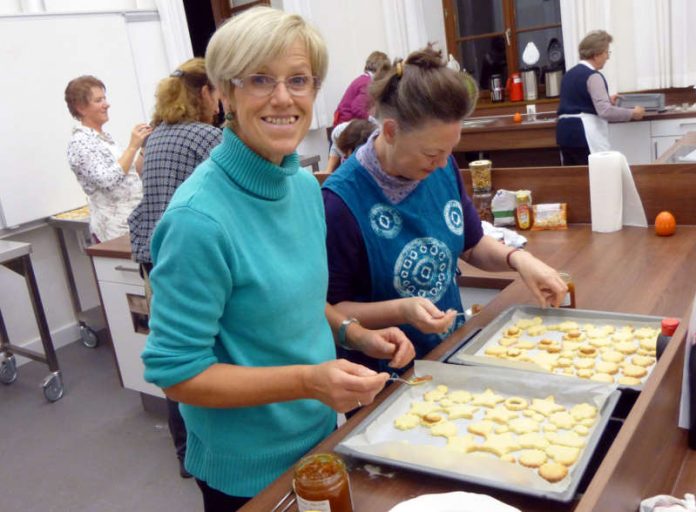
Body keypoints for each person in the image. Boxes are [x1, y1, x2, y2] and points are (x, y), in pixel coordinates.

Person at [140, 7, 414, 511]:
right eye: (260, 79)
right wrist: (310, 379)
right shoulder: (198, 220)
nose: (283, 98)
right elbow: (176, 372)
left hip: (319, 440)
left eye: (299, 80)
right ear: (224, 92)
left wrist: (354, 334)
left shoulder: (304, 189)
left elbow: (298, 307)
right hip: (246, 473)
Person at [322, 45, 568, 373]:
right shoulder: (341, 204)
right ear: (391, 131)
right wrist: (402, 310)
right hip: (385, 379)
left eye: (449, 150)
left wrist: (518, 260)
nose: (441, 164)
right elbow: (334, 310)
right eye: (430, 154)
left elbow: (471, 242)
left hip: (450, 353)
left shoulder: (442, 166)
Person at [127, 57, 222, 479]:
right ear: (205, 92)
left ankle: (185, 452)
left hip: (151, 256)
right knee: (204, 357)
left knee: (173, 348)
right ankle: (212, 450)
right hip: (189, 259)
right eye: (219, 91)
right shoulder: (206, 136)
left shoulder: (157, 136)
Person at [65, 75, 151, 242]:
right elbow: (107, 180)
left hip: (135, 223)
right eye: (99, 100)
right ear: (81, 108)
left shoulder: (104, 137)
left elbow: (129, 174)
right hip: (115, 232)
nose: (107, 104)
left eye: (104, 98)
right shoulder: (80, 142)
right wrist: (132, 146)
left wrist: (144, 147)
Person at [556, 30, 645, 165]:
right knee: (594, 179)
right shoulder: (593, 76)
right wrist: (633, 113)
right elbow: (605, 111)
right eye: (606, 53)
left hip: (564, 134)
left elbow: (577, 101)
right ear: (596, 54)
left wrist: (607, 99)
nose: (607, 57)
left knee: (573, 180)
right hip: (584, 135)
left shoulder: (568, 74)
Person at [333, 50, 391, 126]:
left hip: (342, 121)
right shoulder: (367, 83)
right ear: (382, 70)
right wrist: (372, 120)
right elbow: (357, 109)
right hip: (345, 124)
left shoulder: (363, 79)